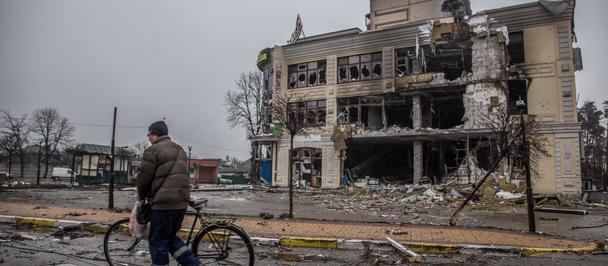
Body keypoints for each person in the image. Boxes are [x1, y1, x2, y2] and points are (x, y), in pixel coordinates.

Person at [136, 121, 200, 266]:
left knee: (157, 242)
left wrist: (142, 197)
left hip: (163, 205)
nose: (148, 138)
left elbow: (143, 179)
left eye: (149, 134)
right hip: (180, 205)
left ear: (155, 134)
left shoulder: (153, 150)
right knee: (170, 239)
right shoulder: (180, 150)